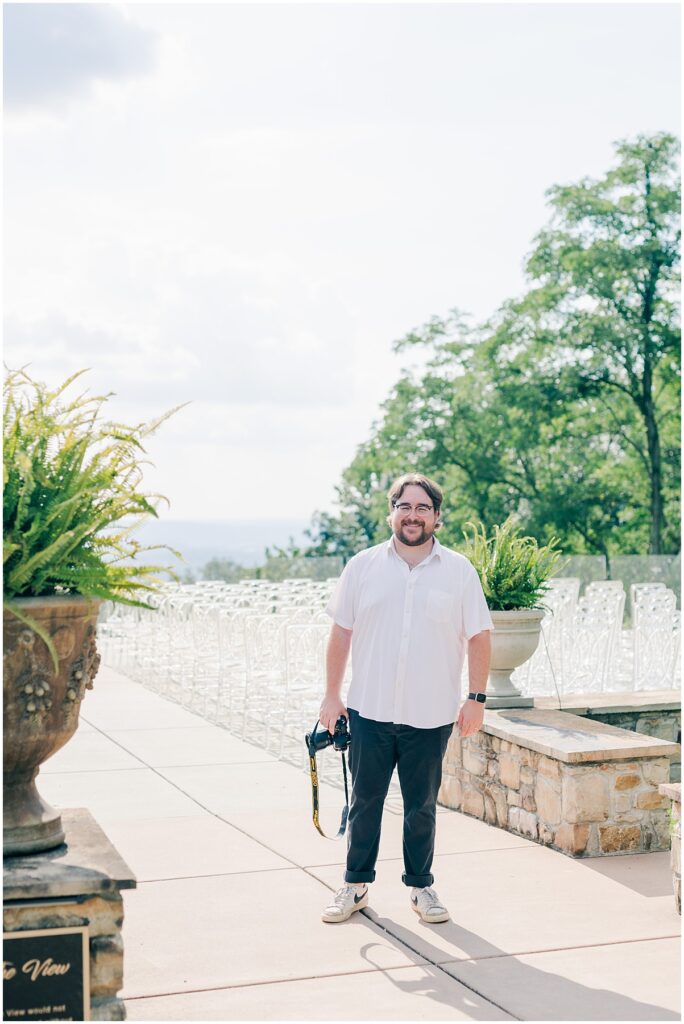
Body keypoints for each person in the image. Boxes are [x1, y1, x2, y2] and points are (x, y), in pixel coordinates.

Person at [319, 472, 493, 924]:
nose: (412, 515)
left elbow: (479, 636)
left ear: (436, 517)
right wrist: (331, 697)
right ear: (391, 512)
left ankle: (421, 889)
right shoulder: (362, 567)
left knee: (421, 808)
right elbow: (341, 632)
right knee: (364, 803)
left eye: (422, 508)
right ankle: (355, 885)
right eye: (404, 506)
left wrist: (476, 697)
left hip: (430, 712)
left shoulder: (459, 571)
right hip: (369, 708)